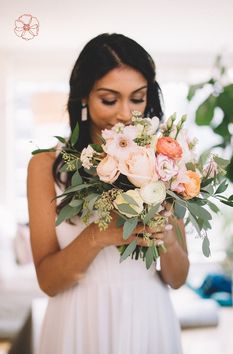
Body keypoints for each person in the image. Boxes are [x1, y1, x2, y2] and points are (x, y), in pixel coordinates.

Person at [27, 33, 189, 354]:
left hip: (148, 317)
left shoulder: (164, 160)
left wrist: (167, 237)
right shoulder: (45, 165)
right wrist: (100, 235)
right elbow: (48, 282)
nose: (125, 114)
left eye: (138, 98)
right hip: (78, 320)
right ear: (84, 97)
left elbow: (178, 278)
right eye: (110, 100)